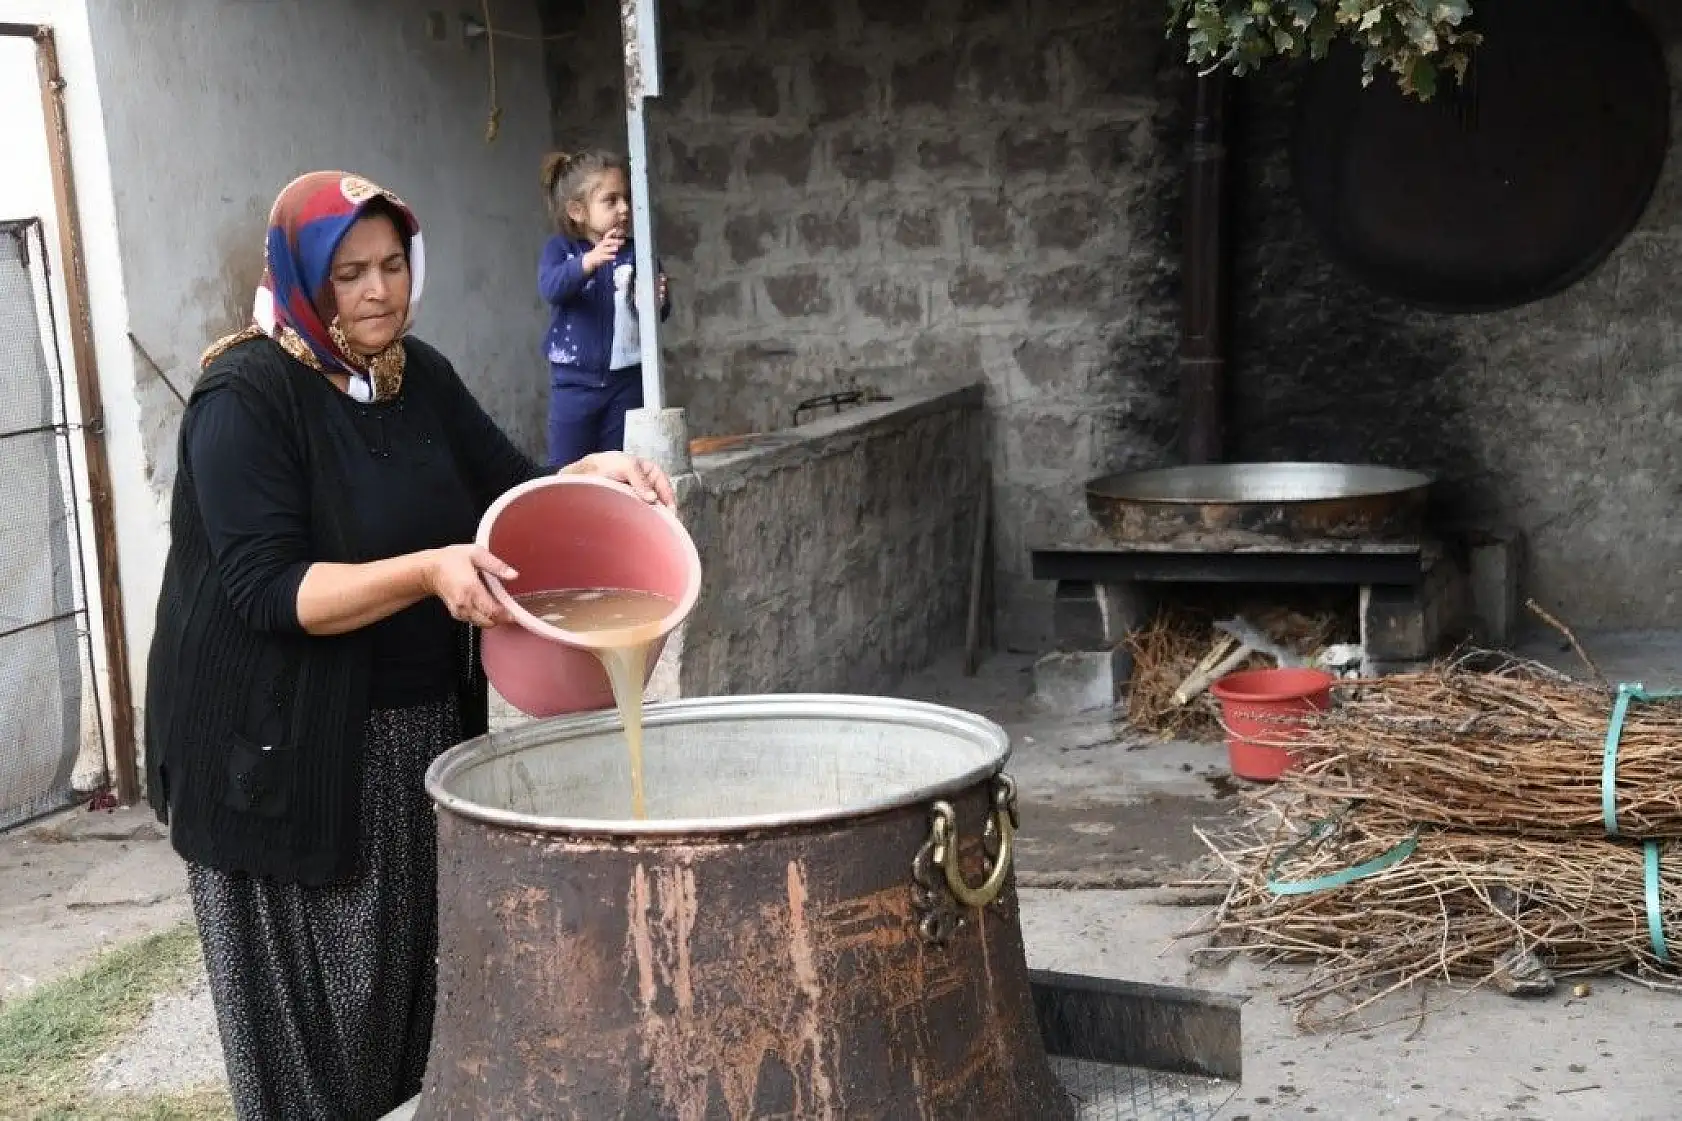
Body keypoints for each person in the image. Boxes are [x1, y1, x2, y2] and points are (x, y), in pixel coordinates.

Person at [143, 170, 675, 1121]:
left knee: (412, 1025)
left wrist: (587, 472)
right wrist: (427, 570)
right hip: (275, 760)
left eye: (393, 265)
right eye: (350, 273)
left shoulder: (412, 375)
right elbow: (274, 591)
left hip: (408, 743)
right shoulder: (245, 397)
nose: (380, 291)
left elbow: (507, 491)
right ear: (305, 277)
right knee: (317, 1054)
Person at [538, 149, 672, 469]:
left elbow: (657, 315)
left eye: (625, 198)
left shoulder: (637, 252)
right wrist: (586, 264)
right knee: (569, 468)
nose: (624, 208)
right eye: (611, 201)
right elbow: (551, 288)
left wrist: (657, 302)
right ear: (577, 211)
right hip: (574, 384)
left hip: (625, 382)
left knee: (620, 465)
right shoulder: (563, 250)